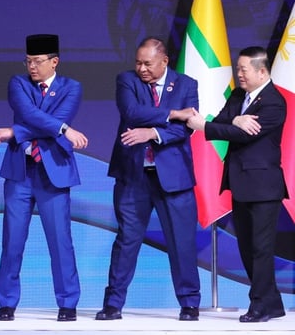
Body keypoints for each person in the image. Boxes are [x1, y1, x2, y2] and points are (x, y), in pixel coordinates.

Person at [97, 37, 200, 321]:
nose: (141, 68)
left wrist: (152, 133)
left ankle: (189, 303)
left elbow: (186, 129)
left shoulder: (187, 84)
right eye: (138, 62)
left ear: (164, 61)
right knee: (127, 240)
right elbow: (131, 112)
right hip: (133, 176)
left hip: (174, 178)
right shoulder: (127, 80)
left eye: (147, 63)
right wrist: (172, 114)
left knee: (182, 242)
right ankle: (113, 304)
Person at [187, 45, 287, 323]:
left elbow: (243, 136)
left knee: (261, 248)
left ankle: (258, 306)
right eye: (238, 69)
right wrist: (236, 118)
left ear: (262, 70)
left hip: (264, 187)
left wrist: (203, 126)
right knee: (246, 246)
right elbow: (224, 123)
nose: (239, 75)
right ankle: (273, 302)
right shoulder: (238, 96)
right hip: (240, 183)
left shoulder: (273, 102)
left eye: (244, 69)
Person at [0, 34, 88, 322]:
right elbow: (28, 113)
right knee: (12, 240)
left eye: (37, 61)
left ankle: (68, 302)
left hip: (54, 173)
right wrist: (63, 130)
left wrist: (15, 132)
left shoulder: (72, 87)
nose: (31, 66)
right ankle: (7, 302)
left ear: (54, 61)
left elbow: (31, 121)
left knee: (61, 241)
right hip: (20, 172)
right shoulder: (18, 83)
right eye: (28, 61)